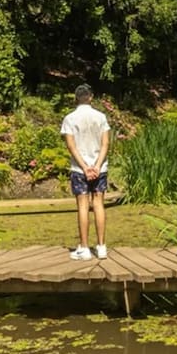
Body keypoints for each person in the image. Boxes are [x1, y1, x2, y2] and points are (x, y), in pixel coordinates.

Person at [61, 84, 111, 260]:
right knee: (98, 204)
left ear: (76, 98)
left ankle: (84, 248)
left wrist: (84, 166)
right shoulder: (100, 117)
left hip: (79, 168)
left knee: (82, 206)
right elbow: (105, 143)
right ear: (91, 97)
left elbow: (71, 146)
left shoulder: (70, 118)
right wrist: (96, 166)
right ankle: (102, 246)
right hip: (100, 167)